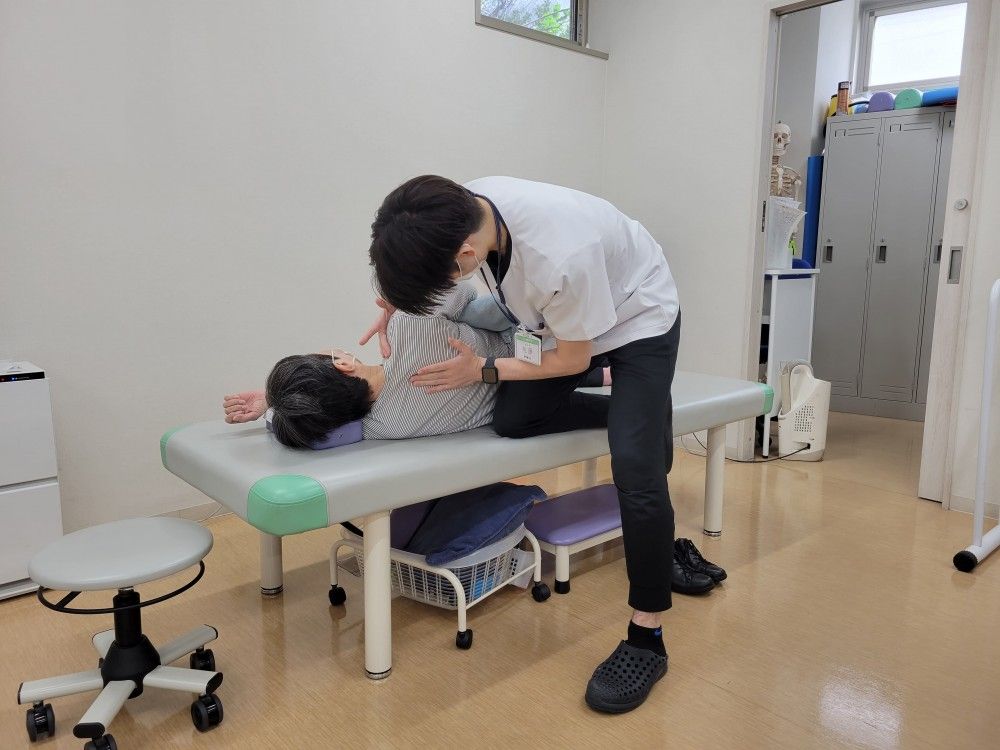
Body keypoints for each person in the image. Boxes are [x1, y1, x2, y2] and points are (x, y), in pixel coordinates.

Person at [363, 174, 681, 713]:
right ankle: (636, 414)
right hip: (563, 322)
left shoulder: (561, 256)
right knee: (514, 419)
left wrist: (481, 369)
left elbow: (573, 359)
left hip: (637, 315)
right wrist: (399, 297)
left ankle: (647, 635)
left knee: (636, 466)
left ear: (466, 254)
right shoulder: (458, 208)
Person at [223, 283, 609, 445]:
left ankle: (599, 375)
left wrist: (273, 405)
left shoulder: (383, 427)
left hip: (522, 379)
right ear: (342, 363)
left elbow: (320, 434)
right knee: (481, 311)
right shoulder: (410, 325)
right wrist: (407, 300)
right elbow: (465, 293)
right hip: (533, 349)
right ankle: (602, 372)